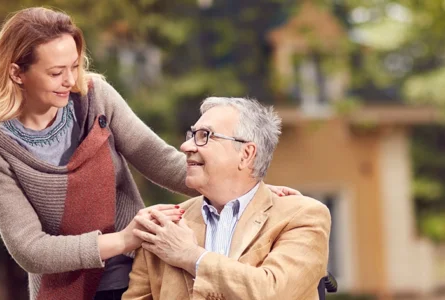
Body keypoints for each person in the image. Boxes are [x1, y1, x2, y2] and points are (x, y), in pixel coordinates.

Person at [0, 7, 298, 300]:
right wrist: (125, 238)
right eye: (56, 72)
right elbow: (29, 250)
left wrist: (254, 193)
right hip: (66, 288)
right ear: (17, 73)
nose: (71, 80)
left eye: (75, 66)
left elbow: (159, 159)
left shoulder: (94, 97)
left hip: (132, 273)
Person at [123, 97, 331, 300]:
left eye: (205, 135)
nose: (186, 147)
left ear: (246, 154)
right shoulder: (163, 226)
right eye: (191, 135)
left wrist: (192, 257)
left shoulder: (302, 216)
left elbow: (275, 292)